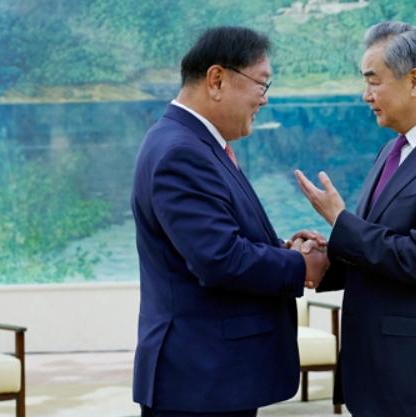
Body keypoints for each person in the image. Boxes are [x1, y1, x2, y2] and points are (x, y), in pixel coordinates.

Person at [294, 21, 416, 417]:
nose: (365, 95)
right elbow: (379, 247)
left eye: (374, 82)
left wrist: (341, 221)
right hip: (372, 368)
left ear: (415, 81)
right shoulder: (391, 150)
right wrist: (325, 254)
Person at [131, 26, 329, 417]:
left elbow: (222, 239)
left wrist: (281, 250)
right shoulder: (181, 152)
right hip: (200, 381)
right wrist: (301, 264)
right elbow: (218, 258)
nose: (265, 99)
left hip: (213, 378)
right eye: (262, 84)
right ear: (217, 80)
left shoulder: (198, 144)